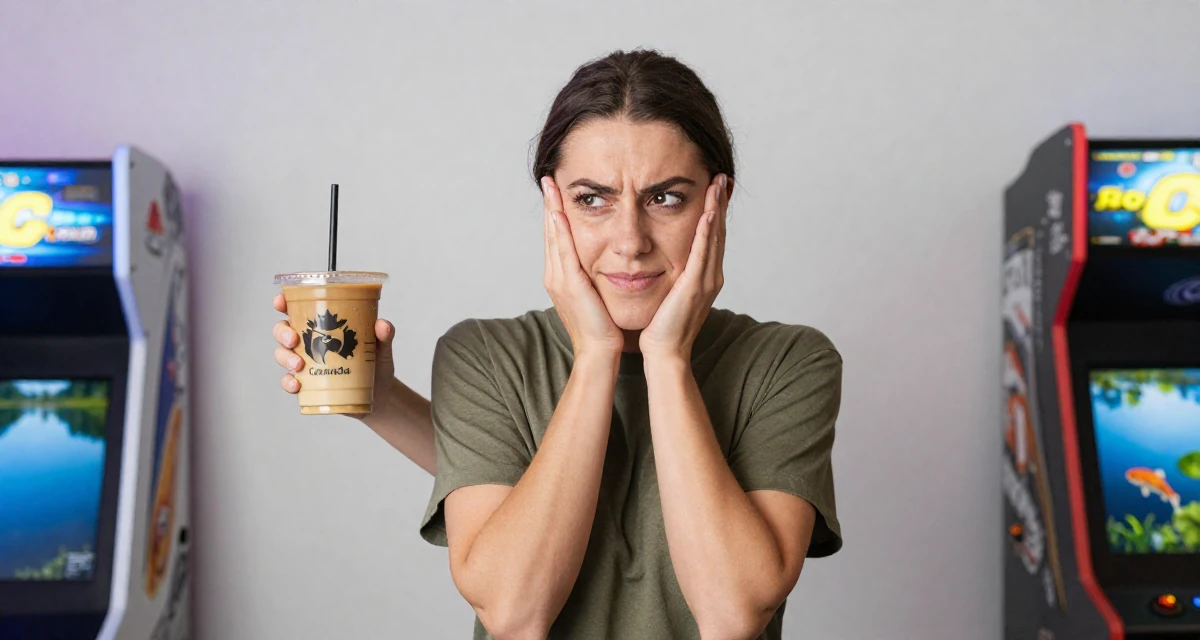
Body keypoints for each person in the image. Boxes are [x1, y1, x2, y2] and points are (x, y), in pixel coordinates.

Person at [274, 48, 842, 640]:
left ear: (716, 204)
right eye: (592, 199)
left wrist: (668, 359)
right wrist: (595, 354)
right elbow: (514, 615)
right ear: (553, 207)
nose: (630, 240)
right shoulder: (484, 356)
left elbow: (732, 615)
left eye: (666, 198)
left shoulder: (789, 364)